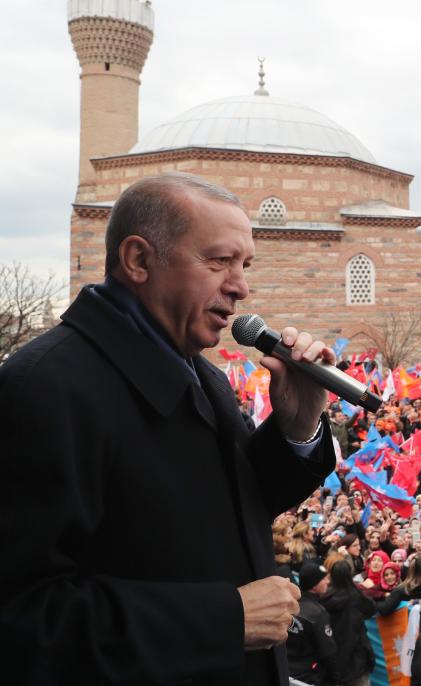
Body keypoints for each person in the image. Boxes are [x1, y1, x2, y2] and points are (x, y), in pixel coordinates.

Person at [0, 173, 338, 684]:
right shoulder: (46, 389)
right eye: (219, 261)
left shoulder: (201, 373)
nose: (241, 287)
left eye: (245, 265)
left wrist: (297, 425)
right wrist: (223, 619)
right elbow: (24, 618)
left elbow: (223, 509)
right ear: (138, 260)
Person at [319, 558, 376, 686]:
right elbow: (371, 609)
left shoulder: (324, 597)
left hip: (334, 658)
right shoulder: (356, 596)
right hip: (356, 659)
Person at [287, 561, 338, 685]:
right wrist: (336, 679)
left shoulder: (291, 605)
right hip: (310, 677)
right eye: (323, 579)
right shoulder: (318, 613)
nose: (328, 582)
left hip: (289, 675)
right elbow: (328, 652)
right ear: (314, 586)